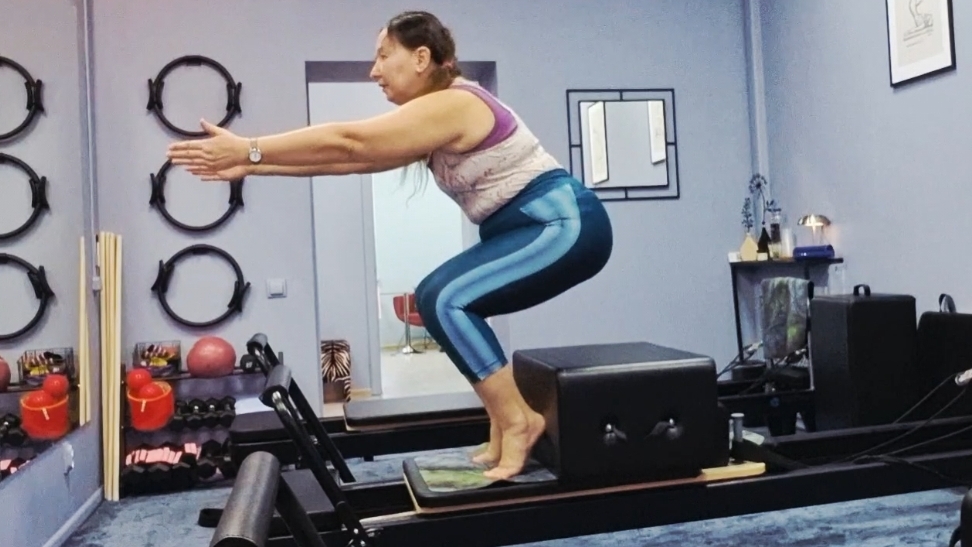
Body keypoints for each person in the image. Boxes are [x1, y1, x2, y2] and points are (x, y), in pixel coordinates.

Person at [166, 10, 614, 480]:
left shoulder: (457, 102)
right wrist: (253, 166)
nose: (374, 70)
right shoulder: (434, 118)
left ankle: (520, 421)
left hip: (561, 224)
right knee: (447, 300)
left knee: (444, 298)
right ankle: (506, 421)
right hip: (530, 229)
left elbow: (350, 141)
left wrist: (250, 148)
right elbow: (351, 162)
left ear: (421, 58)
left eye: (383, 56)